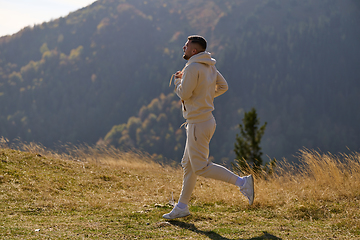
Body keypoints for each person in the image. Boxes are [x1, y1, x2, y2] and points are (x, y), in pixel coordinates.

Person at [163, 35, 254, 220]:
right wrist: (205, 96)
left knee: (200, 167)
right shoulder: (208, 65)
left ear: (194, 51)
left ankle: (243, 182)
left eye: (186, 45)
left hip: (197, 124)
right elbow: (223, 86)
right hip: (205, 121)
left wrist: (177, 82)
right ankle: (182, 207)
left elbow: (184, 93)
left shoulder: (192, 67)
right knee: (188, 166)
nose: (184, 47)